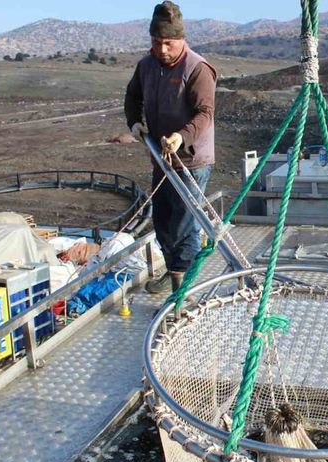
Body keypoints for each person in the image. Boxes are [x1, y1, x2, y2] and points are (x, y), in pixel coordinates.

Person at [124, 1, 217, 294]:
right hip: (161, 158)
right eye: (156, 42)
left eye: (168, 43)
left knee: (183, 226)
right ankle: (173, 270)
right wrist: (134, 122)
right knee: (163, 222)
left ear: (181, 39)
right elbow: (132, 95)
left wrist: (181, 136)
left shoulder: (197, 68)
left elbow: (205, 113)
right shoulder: (147, 66)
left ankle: (184, 290)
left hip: (192, 160)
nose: (162, 49)